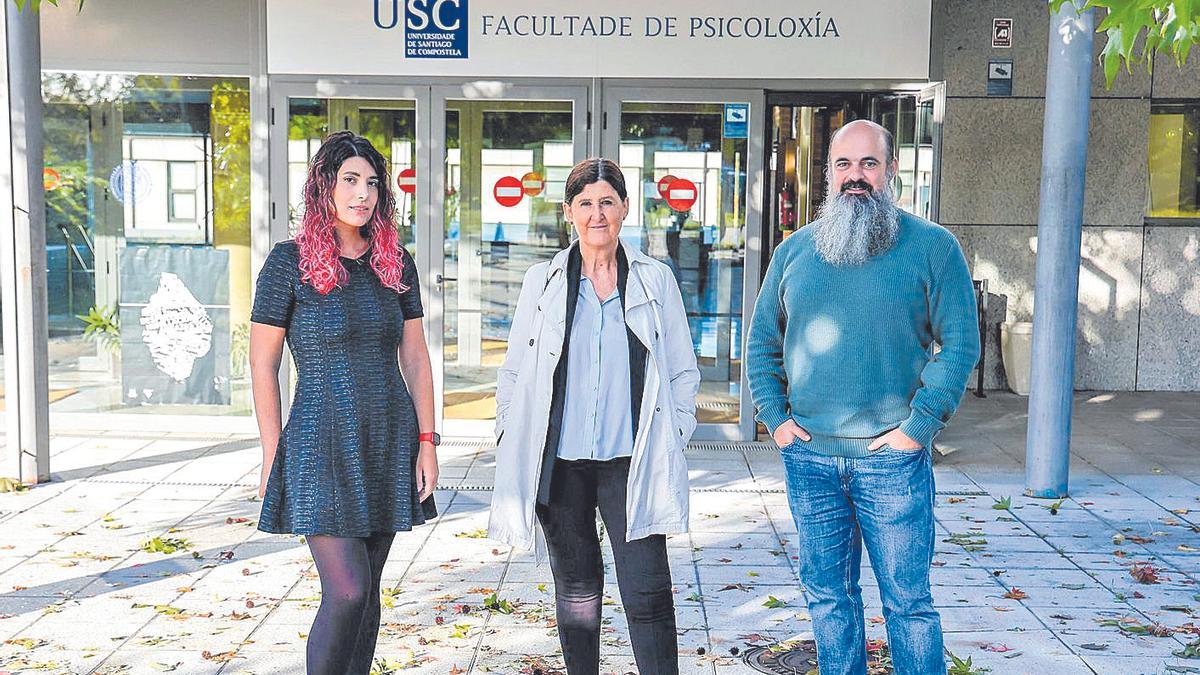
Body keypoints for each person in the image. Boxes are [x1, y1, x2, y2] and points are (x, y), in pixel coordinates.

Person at [746, 120, 980, 674]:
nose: (857, 177)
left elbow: (962, 345)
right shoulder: (794, 252)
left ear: (891, 170)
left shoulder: (933, 248)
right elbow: (761, 346)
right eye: (845, 165)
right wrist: (776, 419)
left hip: (891, 462)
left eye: (868, 164)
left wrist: (917, 429)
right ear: (829, 174)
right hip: (810, 459)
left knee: (909, 606)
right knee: (829, 603)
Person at [488, 158, 700, 675]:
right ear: (569, 213)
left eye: (607, 201)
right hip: (561, 464)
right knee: (577, 591)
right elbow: (514, 371)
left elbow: (682, 372)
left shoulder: (655, 280)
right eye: (585, 203)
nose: (597, 213)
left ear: (625, 208)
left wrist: (673, 430)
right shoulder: (544, 282)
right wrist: (507, 433)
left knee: (647, 591)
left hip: (631, 461)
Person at [249, 131, 439, 675]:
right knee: (348, 592)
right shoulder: (289, 263)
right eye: (350, 180)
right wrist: (271, 452)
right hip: (319, 442)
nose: (363, 194)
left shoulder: (394, 261)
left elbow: (418, 359)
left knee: (370, 593)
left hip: (387, 436)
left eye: (372, 183)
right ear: (323, 187)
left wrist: (427, 443)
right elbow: (263, 363)